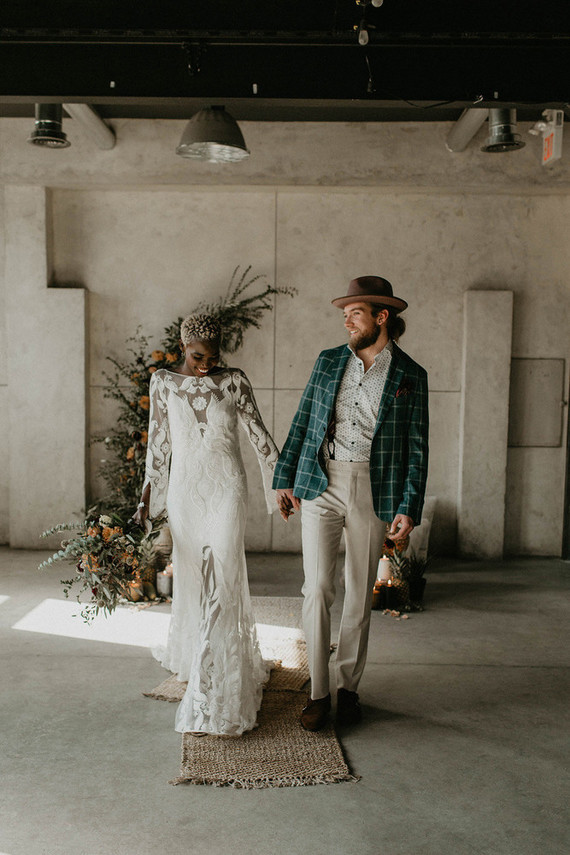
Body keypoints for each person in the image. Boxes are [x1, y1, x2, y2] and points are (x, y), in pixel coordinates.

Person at [273, 276, 429, 731]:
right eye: (344, 314)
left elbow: (417, 446)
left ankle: (348, 690)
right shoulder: (326, 363)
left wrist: (408, 505)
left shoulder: (410, 376)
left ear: (381, 317)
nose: (346, 321)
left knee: (359, 596)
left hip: (373, 487)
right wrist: (285, 478)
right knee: (317, 589)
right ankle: (318, 693)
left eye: (354, 313)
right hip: (321, 481)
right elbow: (303, 419)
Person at [133, 313, 279, 736]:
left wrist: (282, 484)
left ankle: (212, 690)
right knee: (196, 582)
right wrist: (147, 497)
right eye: (199, 356)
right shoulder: (162, 382)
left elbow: (258, 435)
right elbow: (158, 445)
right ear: (184, 347)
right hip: (184, 495)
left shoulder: (233, 381)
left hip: (227, 490)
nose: (206, 364)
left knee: (224, 579)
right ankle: (200, 656)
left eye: (214, 357)